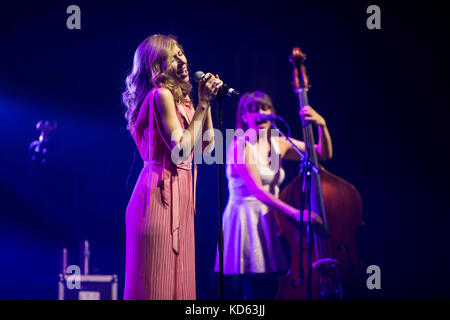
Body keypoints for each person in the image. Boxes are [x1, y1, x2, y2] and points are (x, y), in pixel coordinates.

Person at [122, 34, 223, 300]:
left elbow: (207, 147)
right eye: (173, 55)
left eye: (181, 52)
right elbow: (181, 150)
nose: (182, 59)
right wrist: (202, 104)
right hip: (157, 197)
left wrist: (205, 104)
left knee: (179, 287)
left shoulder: (184, 101)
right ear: (157, 66)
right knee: (157, 286)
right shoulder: (160, 95)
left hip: (182, 201)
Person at [216, 91, 332, 299]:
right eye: (253, 109)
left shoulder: (279, 143)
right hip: (248, 220)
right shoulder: (240, 146)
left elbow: (321, 154)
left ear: (272, 113)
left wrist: (321, 125)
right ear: (244, 116)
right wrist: (296, 213)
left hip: (273, 219)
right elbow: (257, 191)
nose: (260, 113)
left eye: (265, 108)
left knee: (273, 286)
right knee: (257, 288)